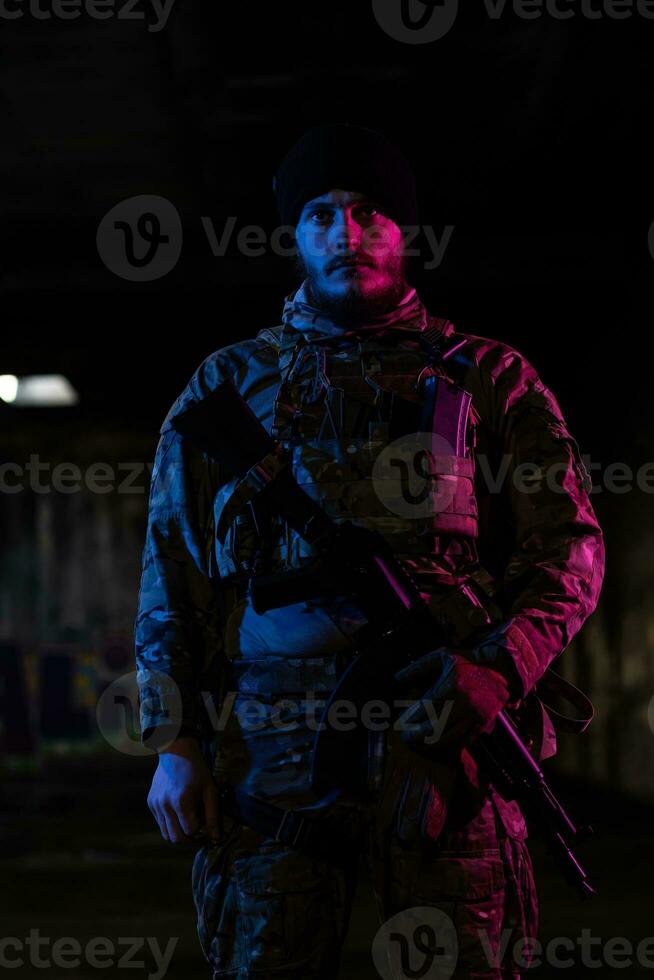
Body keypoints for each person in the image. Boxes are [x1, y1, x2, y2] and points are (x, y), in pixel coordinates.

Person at [134, 123, 605, 978]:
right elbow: (174, 575)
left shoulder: (490, 380)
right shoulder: (227, 386)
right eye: (321, 215)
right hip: (270, 758)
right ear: (294, 234)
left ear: (404, 231)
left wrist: (500, 668)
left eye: (369, 213)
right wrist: (175, 739)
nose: (345, 236)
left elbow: (569, 553)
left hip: (444, 745)